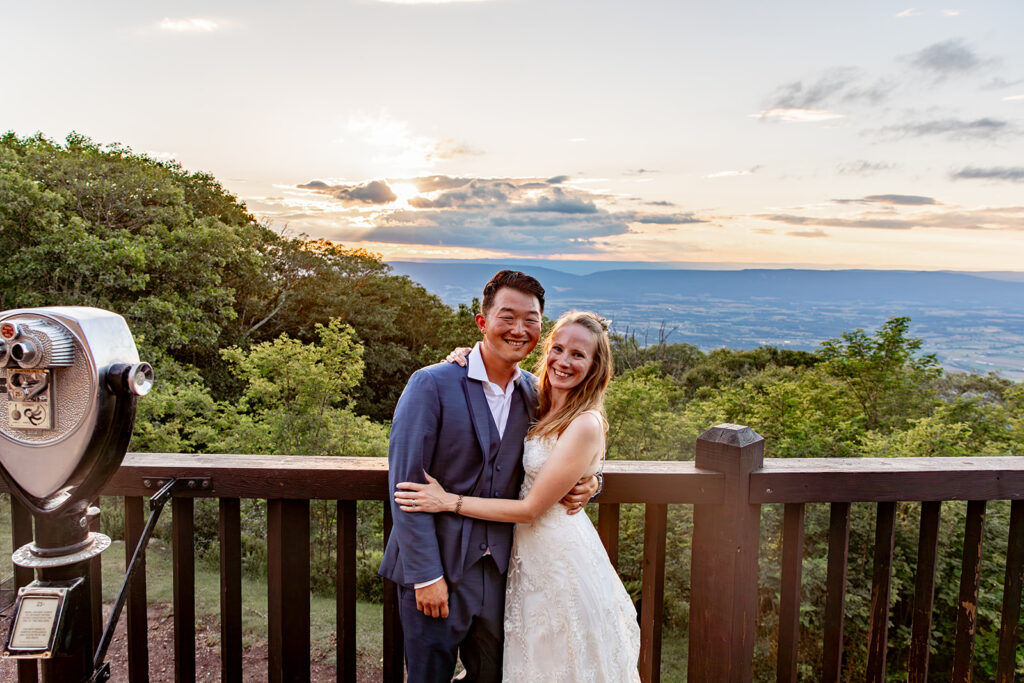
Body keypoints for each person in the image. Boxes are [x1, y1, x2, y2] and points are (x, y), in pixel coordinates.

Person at [396, 310, 641, 682]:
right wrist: (466, 359)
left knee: (555, 662)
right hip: (508, 563)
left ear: (595, 365)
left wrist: (449, 500)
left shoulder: (578, 416)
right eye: (558, 349)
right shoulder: (535, 394)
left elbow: (534, 504)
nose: (564, 361)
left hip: (552, 561)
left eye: (578, 355)